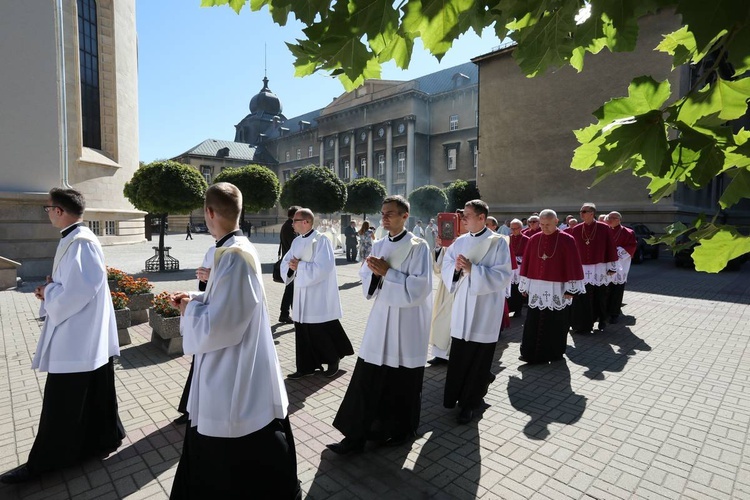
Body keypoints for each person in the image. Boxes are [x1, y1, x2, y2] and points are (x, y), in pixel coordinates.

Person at [168, 183, 300, 499]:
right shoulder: (230, 250)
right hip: (230, 361)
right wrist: (197, 297)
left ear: (209, 213)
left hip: (232, 367)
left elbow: (223, 326)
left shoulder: (236, 256)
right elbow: (227, 302)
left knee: (234, 440)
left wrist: (189, 309)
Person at [1, 188, 124, 484]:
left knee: (63, 400)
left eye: (48, 209)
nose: (47, 214)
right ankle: (103, 439)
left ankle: (44, 463)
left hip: (77, 335)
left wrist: (49, 291)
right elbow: (77, 284)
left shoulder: (80, 241)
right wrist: (55, 285)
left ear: (59, 210)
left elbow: (80, 291)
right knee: (94, 389)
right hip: (83, 333)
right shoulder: (74, 238)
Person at [328, 195, 432, 454]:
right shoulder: (379, 244)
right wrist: (374, 274)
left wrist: (388, 273)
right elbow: (367, 277)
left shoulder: (419, 247)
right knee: (367, 377)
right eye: (383, 212)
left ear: (405, 216)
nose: (384, 217)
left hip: (407, 322)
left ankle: (400, 430)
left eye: (390, 213)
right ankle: (355, 437)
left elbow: (421, 288)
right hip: (382, 318)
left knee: (402, 381)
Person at [442, 200, 513, 424]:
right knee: (460, 355)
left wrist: (473, 270)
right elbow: (447, 266)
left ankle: (470, 403)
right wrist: (455, 269)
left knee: (479, 358)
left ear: (482, 218)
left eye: (468, 216)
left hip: (484, 308)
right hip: (463, 306)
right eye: (463, 215)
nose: (463, 219)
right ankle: (455, 396)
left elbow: (503, 276)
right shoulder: (459, 242)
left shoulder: (498, 243)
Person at [281, 208, 354, 379]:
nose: (292, 224)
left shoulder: (321, 241)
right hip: (300, 294)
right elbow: (287, 261)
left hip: (317, 294)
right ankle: (306, 367)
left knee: (320, 329)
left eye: (295, 221)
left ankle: (333, 360)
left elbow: (324, 268)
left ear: (305, 222)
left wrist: (300, 266)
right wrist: (291, 267)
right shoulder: (297, 241)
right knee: (302, 330)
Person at [518, 210, 585, 363]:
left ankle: (554, 353)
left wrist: (570, 289)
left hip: (558, 287)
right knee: (533, 320)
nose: (544, 228)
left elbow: (573, 264)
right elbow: (527, 264)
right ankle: (530, 353)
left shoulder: (567, 240)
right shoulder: (534, 239)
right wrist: (525, 286)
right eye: (541, 224)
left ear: (556, 222)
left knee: (557, 321)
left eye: (547, 224)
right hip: (536, 287)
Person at [174, 245, 215, 425]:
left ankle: (198, 411)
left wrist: (211, 276)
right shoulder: (213, 249)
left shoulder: (237, 252)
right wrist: (203, 279)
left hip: (218, 323)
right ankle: (189, 409)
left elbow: (230, 290)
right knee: (197, 368)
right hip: (206, 314)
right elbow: (208, 290)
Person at [569, 202, 618, 334]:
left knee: (600, 295)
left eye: (584, 211)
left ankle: (602, 319)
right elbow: (572, 250)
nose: (581, 214)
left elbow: (610, 247)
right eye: (580, 211)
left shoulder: (604, 228)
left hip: (599, 266)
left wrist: (612, 266)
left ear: (592, 213)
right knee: (583, 296)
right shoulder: (577, 229)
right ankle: (584, 322)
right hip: (582, 267)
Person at [605, 211, 637, 323]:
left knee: (616, 290)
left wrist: (616, 251)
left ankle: (614, 313)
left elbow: (632, 246)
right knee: (605, 290)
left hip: (620, 265)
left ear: (619, 219)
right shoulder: (604, 231)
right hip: (605, 265)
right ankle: (604, 312)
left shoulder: (628, 232)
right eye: (609, 217)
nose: (610, 219)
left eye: (613, 218)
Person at [279, 206, 300, 324]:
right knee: (290, 290)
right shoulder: (289, 227)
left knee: (290, 290)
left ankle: (286, 313)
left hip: (291, 262)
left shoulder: (288, 226)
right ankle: (285, 314)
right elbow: (295, 245)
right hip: (290, 263)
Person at [507, 219, 530, 317]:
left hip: (520, 268)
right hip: (509, 267)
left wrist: (519, 259)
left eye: (515, 228)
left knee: (519, 288)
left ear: (520, 228)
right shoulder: (507, 239)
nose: (513, 231)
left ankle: (518, 309)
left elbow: (529, 254)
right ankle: (508, 308)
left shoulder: (527, 239)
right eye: (511, 228)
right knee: (510, 287)